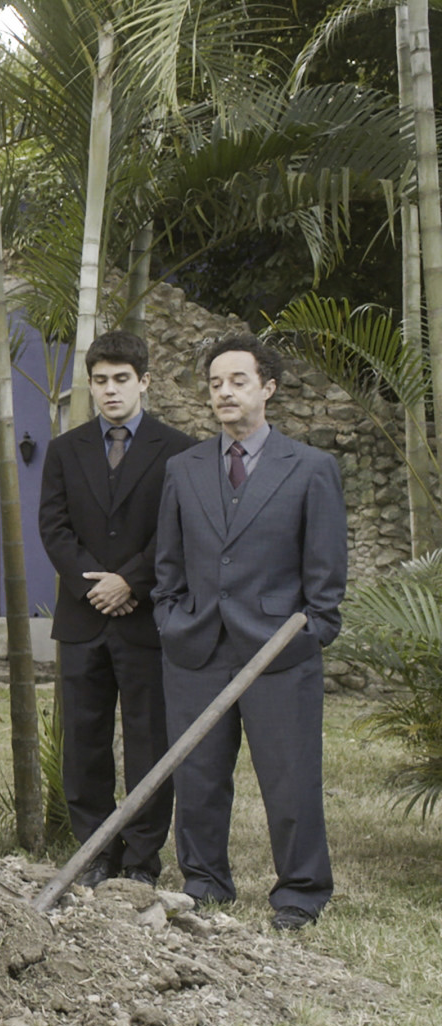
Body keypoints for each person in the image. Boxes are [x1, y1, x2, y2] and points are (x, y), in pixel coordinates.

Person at [153, 334, 346, 931]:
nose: (224, 392)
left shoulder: (311, 468)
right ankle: (204, 882)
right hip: (196, 648)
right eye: (215, 383)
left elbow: (326, 577)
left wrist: (309, 634)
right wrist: (171, 620)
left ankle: (301, 892)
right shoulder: (183, 469)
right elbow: (168, 564)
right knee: (198, 778)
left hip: (279, 652)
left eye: (238, 381)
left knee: (290, 779)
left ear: (268, 388)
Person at [39, 331, 197, 888]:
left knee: (149, 739)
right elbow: (54, 528)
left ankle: (141, 858)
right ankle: (96, 853)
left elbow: (178, 531)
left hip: (145, 618)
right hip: (83, 619)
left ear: (143, 381)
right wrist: (94, 586)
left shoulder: (178, 450)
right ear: (90, 384)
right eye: (101, 380)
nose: (110, 390)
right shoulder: (65, 450)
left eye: (121, 379)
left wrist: (129, 580)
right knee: (83, 741)